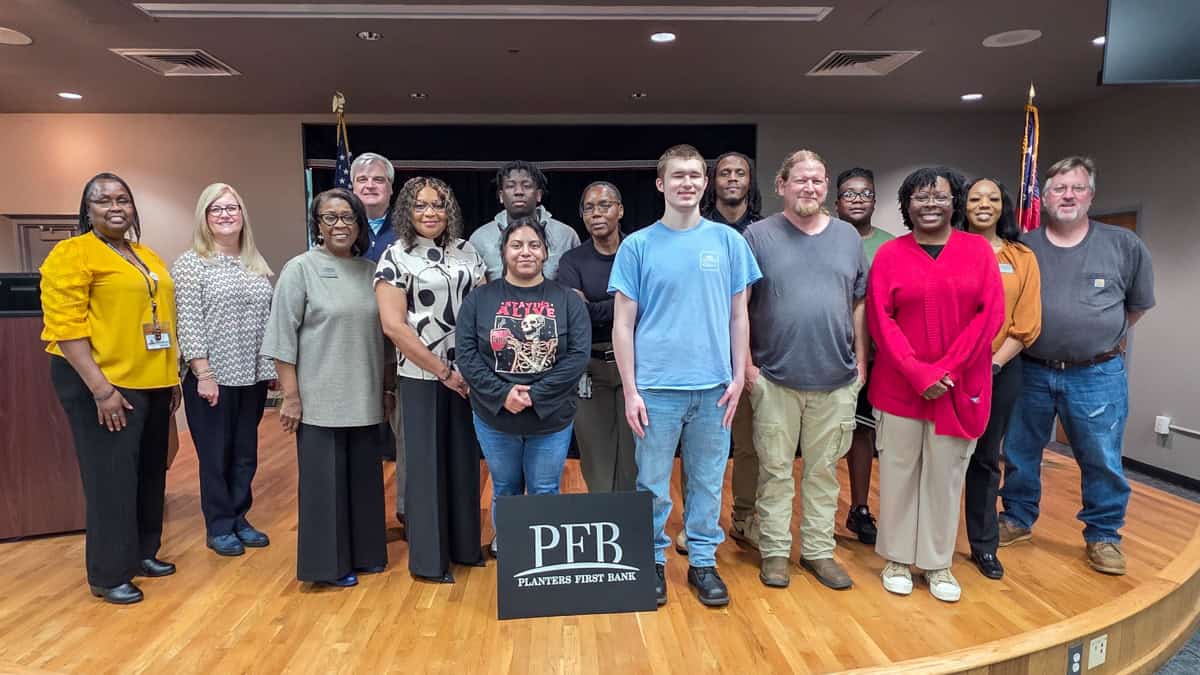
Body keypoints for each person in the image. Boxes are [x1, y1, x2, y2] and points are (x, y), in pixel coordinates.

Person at [610, 144, 761, 608]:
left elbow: (740, 316)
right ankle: (652, 562)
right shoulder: (637, 245)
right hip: (656, 388)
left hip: (714, 389)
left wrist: (738, 377)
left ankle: (702, 563)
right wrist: (631, 389)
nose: (687, 183)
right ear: (661, 184)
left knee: (708, 480)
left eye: (696, 175)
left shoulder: (729, 243)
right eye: (677, 176)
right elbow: (623, 323)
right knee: (652, 483)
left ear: (705, 182)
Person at [999, 156, 1155, 576]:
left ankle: (1104, 536)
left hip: (1096, 373)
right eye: (1059, 189)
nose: (1068, 196)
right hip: (1031, 368)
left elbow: (1136, 307)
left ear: (1090, 195)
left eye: (1077, 188)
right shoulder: (1025, 246)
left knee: (1101, 456)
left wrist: (1095, 337)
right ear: (1044, 197)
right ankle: (1016, 517)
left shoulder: (1123, 245)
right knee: (1019, 449)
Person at [41, 172, 181, 604]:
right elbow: (66, 328)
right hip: (102, 380)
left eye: (123, 199)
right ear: (87, 210)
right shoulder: (72, 253)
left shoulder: (145, 255)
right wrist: (101, 390)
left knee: (148, 471)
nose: (115, 207)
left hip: (151, 378)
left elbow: (161, 317)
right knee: (111, 478)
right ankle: (108, 572)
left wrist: (171, 376)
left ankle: (142, 553)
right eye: (103, 201)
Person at [867, 167, 1004, 603]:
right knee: (899, 473)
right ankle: (896, 557)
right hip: (900, 387)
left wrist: (945, 371)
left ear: (955, 202)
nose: (930, 204)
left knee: (945, 478)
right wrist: (918, 372)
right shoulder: (890, 255)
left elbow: (990, 316)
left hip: (958, 388)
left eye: (939, 197)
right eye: (919, 198)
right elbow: (879, 320)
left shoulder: (977, 252)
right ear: (906, 206)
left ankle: (937, 563)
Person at [744, 150, 867, 590]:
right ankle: (775, 551)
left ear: (826, 186)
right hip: (774, 378)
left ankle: (818, 551)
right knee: (775, 471)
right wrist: (747, 367)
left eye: (817, 180)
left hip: (836, 379)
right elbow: (738, 306)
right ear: (782, 185)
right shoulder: (757, 237)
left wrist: (861, 364)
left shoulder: (847, 237)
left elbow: (858, 304)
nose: (809, 188)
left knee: (822, 472)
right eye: (800, 180)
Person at [261, 187, 393, 587]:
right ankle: (327, 567)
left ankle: (367, 553)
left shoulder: (372, 272)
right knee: (325, 489)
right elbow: (282, 336)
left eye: (348, 217)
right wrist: (292, 396)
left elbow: (385, 338)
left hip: (366, 395)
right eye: (330, 217)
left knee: (364, 484)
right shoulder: (300, 269)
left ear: (359, 224)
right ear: (317, 224)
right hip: (320, 400)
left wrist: (387, 388)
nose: (340, 225)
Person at [375, 177, 487, 583]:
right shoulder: (395, 256)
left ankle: (464, 547)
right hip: (422, 375)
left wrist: (470, 370)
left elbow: (482, 310)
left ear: (449, 210)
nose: (430, 213)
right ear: (407, 211)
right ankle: (429, 560)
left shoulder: (467, 252)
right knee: (425, 469)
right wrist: (443, 371)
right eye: (420, 206)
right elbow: (394, 327)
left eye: (438, 205)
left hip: (467, 375)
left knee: (463, 462)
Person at [456, 216, 590, 556]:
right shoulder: (479, 299)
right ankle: (512, 544)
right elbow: (468, 355)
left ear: (546, 252)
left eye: (534, 245)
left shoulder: (567, 300)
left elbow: (577, 357)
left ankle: (542, 550)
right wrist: (503, 394)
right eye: (516, 245)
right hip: (495, 415)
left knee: (545, 487)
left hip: (552, 416)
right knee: (505, 486)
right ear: (503, 252)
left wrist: (536, 395)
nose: (525, 252)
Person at [172, 183, 276, 557]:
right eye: (216, 209)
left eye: (232, 207)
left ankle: (238, 517)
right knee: (215, 454)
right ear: (204, 217)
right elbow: (189, 323)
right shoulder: (190, 264)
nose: (226, 214)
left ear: (243, 214)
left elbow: (267, 321)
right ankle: (218, 525)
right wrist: (203, 373)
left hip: (251, 376)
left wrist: (270, 368)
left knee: (245, 452)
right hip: (211, 377)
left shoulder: (255, 263)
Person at [673, 151, 762, 555]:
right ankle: (695, 526)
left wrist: (745, 362)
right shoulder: (690, 230)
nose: (731, 179)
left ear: (750, 181)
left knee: (746, 446)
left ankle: (743, 519)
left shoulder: (760, 233)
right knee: (697, 452)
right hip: (701, 360)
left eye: (739, 172)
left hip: (752, 357)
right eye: (723, 171)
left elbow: (749, 306)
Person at [956, 177, 1042, 580]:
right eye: (975, 198)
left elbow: (1026, 323)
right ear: (964, 205)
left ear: (1003, 206)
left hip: (998, 370)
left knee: (986, 460)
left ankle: (984, 544)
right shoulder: (949, 250)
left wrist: (991, 365)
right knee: (939, 461)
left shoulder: (1021, 256)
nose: (984, 204)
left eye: (992, 198)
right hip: (948, 371)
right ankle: (927, 543)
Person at [558, 182, 637, 492]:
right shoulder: (572, 261)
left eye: (604, 205)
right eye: (589, 208)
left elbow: (652, 307)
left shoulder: (638, 251)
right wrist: (627, 302)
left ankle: (634, 532)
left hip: (637, 365)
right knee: (598, 465)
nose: (596, 213)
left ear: (620, 210)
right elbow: (579, 315)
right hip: (590, 368)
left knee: (634, 462)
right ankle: (606, 532)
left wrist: (602, 306)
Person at [834, 167, 893, 545]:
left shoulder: (889, 245)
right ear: (836, 201)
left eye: (865, 194)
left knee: (862, 433)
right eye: (849, 194)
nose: (857, 200)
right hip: (826, 352)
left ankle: (859, 508)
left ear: (874, 200)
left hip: (874, 355)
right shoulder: (824, 237)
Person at [350, 153, 402, 478]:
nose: (370, 185)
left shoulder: (407, 230)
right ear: (352, 185)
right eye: (363, 179)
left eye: (379, 179)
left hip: (397, 345)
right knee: (360, 433)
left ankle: (406, 510)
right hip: (354, 343)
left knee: (400, 430)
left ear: (391, 188)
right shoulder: (339, 228)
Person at [469, 160, 580, 281]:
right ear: (501, 196)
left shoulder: (566, 235)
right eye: (511, 186)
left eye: (526, 186)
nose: (519, 192)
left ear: (538, 195)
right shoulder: (480, 238)